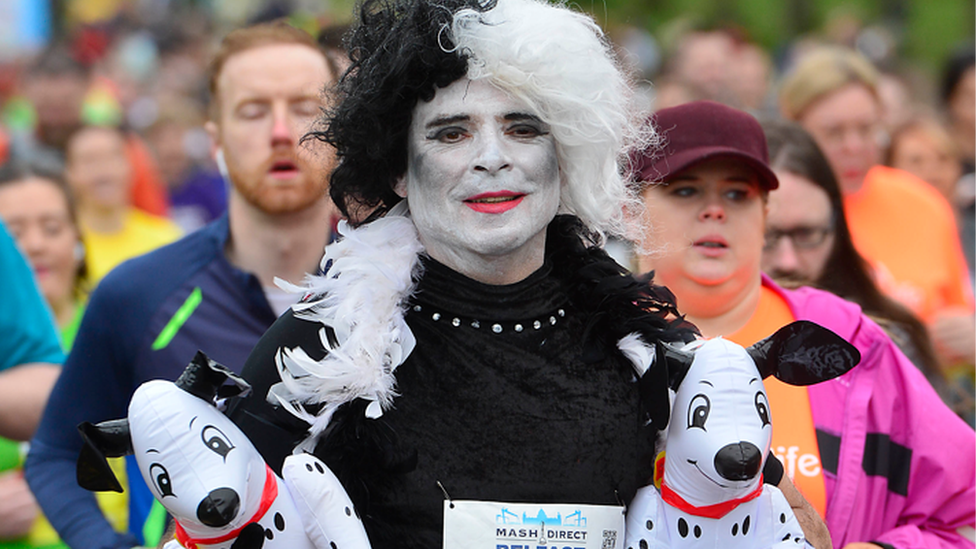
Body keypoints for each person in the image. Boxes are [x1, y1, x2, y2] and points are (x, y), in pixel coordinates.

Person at [224, 2, 831, 548]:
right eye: (452, 132)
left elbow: (796, 529)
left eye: (523, 127)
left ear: (565, 156)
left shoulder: (643, 347)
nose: (492, 157)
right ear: (399, 172)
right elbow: (213, 526)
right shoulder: (320, 347)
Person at [25, 21, 338, 549]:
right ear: (214, 139)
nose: (281, 132)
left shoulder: (403, 286)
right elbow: (55, 453)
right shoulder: (139, 292)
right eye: (254, 110)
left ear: (342, 128)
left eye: (305, 107)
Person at [634, 100, 976, 548]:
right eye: (685, 190)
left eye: (738, 194)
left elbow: (962, 514)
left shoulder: (844, 341)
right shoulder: (586, 337)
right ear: (627, 208)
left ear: (765, 214)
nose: (715, 209)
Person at [779, 46, 976, 374]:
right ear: (795, 129)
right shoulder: (775, 210)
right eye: (834, 132)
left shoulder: (923, 203)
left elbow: (958, 311)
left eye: (867, 129)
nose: (854, 146)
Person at [760, 120, 949, 396]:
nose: (788, 261)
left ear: (836, 228)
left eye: (807, 234)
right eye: (769, 236)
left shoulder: (886, 342)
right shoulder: (690, 340)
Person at [0, 161, 130, 549]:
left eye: (51, 228)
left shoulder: (122, 330)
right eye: (12, 233)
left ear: (77, 239)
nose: (35, 244)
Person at [63, 124, 182, 284]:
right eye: (89, 160)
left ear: (131, 167)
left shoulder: (167, 239)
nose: (102, 170)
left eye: (113, 157)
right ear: (69, 173)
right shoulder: (62, 247)